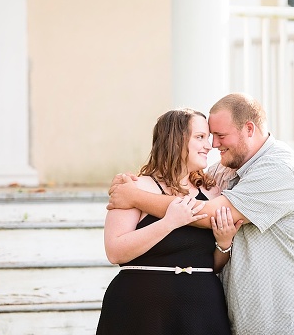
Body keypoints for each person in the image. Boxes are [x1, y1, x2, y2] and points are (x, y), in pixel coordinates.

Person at [107, 93, 294, 335]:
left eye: (219, 135)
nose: (213, 144)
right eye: (205, 136)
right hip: (262, 322)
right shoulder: (224, 172)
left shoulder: (280, 169)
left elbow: (206, 215)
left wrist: (134, 197)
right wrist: (134, 185)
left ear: (249, 129)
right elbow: (192, 187)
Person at [96, 108, 241, 335]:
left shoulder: (213, 192)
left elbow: (210, 265)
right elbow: (115, 252)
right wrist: (168, 223)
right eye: (200, 137)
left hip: (201, 311)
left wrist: (224, 244)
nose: (210, 145)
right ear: (176, 140)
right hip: (140, 309)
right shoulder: (135, 187)